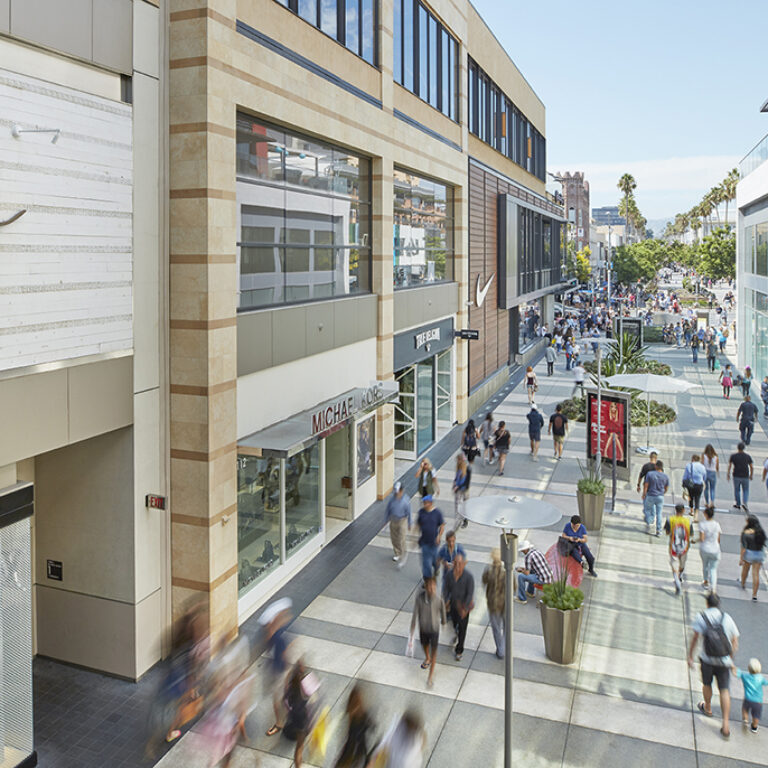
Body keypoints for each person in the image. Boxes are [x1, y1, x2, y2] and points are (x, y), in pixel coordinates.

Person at [688, 592, 740, 740]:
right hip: (724, 661)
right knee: (724, 690)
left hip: (707, 660)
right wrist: (730, 659)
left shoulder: (701, 617)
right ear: (718, 605)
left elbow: (695, 638)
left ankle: (708, 707)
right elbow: (735, 641)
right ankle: (725, 725)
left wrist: (690, 655)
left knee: (707, 684)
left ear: (707, 604)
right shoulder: (727, 618)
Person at [409, 576, 445, 687]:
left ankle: (430, 677)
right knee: (424, 644)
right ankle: (427, 658)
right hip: (424, 628)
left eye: (433, 586)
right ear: (426, 587)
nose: (432, 588)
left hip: (434, 629)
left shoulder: (439, 599)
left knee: (434, 652)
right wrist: (412, 627)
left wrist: (443, 622)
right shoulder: (419, 599)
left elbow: (443, 611)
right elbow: (415, 613)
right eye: (429, 586)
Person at [333, 684, 374, 767]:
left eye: (357, 700)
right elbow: (347, 738)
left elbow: (369, 739)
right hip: (350, 752)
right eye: (353, 701)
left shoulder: (365, 716)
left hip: (360, 754)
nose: (355, 704)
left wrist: (368, 761)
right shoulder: (350, 715)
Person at [443, 553, 474, 661]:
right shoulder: (449, 575)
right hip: (452, 606)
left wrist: (465, 608)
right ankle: (455, 632)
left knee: (462, 629)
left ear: (464, 564)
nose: (457, 566)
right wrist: (446, 600)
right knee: (453, 624)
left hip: (463, 608)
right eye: (455, 563)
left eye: (460, 563)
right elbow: (445, 589)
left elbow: (470, 594)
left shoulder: (468, 577)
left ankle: (459, 650)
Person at [482, 549, 506, 659]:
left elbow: (484, 581)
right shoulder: (506, 571)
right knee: (507, 626)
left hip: (493, 602)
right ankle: (503, 648)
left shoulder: (489, 570)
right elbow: (514, 586)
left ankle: (500, 650)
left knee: (496, 628)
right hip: (505, 602)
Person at [733, 659, 768, 734]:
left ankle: (745, 720)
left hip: (747, 699)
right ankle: (754, 727)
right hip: (758, 702)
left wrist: (733, 667)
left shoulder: (745, 676)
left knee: (745, 709)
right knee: (756, 715)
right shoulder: (760, 678)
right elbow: (766, 683)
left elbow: (737, 673)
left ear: (749, 668)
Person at [664, 503, 691, 595]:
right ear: (683, 510)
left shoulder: (670, 519)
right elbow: (690, 534)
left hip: (673, 547)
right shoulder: (688, 521)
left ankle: (677, 582)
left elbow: (667, 533)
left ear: (676, 510)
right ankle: (680, 576)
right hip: (685, 547)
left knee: (673, 565)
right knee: (682, 564)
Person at [514, 540, 553, 604]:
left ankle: (522, 599)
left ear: (525, 549)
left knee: (521, 577)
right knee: (531, 571)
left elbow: (527, 573)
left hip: (542, 579)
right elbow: (532, 568)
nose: (522, 551)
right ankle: (530, 592)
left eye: (522, 550)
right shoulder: (536, 551)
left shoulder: (528, 557)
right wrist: (524, 569)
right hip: (548, 575)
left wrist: (520, 570)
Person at [416, 495, 445, 581]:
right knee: (426, 563)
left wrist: (439, 536)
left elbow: (442, 525)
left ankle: (436, 568)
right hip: (424, 541)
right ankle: (427, 579)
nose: (424, 505)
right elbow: (418, 524)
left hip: (434, 542)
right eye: (423, 503)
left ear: (431, 503)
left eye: (426, 503)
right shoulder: (421, 512)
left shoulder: (437, 513)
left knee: (435, 560)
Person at [740, 515, 767, 602]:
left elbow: (743, 547)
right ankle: (754, 595)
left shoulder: (746, 533)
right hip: (759, 554)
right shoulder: (761, 532)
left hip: (749, 554)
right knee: (755, 574)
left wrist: (741, 558)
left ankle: (743, 583)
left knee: (745, 570)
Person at [385, 482, 411, 565]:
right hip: (393, 520)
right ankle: (397, 553)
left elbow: (409, 512)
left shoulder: (406, 500)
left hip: (402, 520)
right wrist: (386, 519)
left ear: (401, 491)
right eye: (395, 491)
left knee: (401, 537)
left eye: (398, 491)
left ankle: (403, 553)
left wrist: (410, 522)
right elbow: (388, 509)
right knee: (394, 538)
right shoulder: (392, 499)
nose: (396, 493)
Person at [436, 530, 466, 601]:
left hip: (457, 577)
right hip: (446, 576)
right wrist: (443, 563)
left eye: (453, 541)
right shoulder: (444, 549)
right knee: (444, 596)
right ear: (446, 540)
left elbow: (464, 561)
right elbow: (438, 559)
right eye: (449, 541)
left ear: (455, 539)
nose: (451, 543)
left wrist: (457, 564)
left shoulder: (459, 549)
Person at [642, 460, 669, 536]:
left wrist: (644, 494)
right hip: (660, 496)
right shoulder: (665, 476)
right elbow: (666, 488)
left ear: (655, 466)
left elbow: (646, 485)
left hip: (650, 495)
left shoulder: (650, 474)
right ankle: (659, 530)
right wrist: (662, 493)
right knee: (659, 513)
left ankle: (649, 523)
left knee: (647, 510)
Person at [699, 506, 722, 593]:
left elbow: (702, 538)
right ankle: (713, 587)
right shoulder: (717, 525)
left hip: (704, 548)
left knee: (705, 566)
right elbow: (718, 539)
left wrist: (696, 540)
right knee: (713, 569)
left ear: (705, 514)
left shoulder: (702, 524)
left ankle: (705, 582)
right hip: (715, 549)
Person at [727, 442, 753, 512]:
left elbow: (730, 465)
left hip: (736, 475)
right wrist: (751, 475)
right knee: (746, 490)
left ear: (737, 448)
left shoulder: (733, 456)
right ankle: (745, 502)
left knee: (737, 490)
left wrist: (728, 474)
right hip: (745, 475)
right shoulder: (747, 456)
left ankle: (738, 503)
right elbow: (751, 466)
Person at [682, 454, 706, 519]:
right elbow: (704, 477)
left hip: (691, 485)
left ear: (692, 459)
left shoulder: (689, 466)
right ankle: (696, 515)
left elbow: (685, 476)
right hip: (699, 485)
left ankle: (691, 511)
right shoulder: (702, 467)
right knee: (697, 499)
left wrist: (683, 484)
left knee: (691, 498)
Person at [452, 453, 471, 530]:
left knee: (465, 504)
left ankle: (465, 519)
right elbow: (456, 477)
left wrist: (458, 486)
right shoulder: (458, 468)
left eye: (458, 460)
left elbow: (467, 481)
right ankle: (459, 518)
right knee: (457, 504)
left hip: (464, 489)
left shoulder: (467, 469)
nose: (457, 461)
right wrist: (454, 483)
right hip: (458, 489)